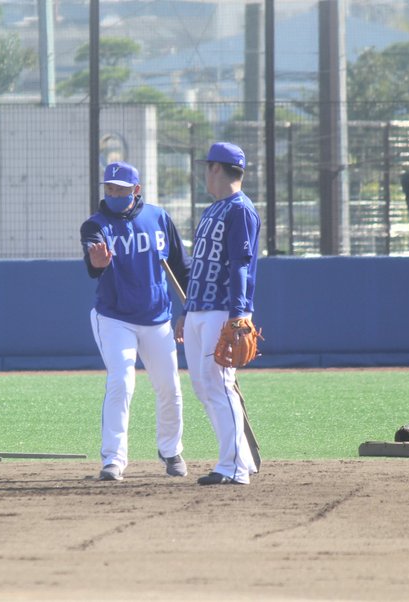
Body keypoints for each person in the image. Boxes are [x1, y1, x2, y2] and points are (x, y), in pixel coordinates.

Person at [80, 161, 191, 481]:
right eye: (110, 188)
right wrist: (97, 263)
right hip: (115, 317)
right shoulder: (95, 225)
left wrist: (191, 308)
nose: (114, 194)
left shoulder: (158, 218)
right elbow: (92, 265)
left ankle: (171, 451)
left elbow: (182, 267)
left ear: (136, 190)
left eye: (121, 189)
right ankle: (113, 459)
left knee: (169, 387)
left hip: (157, 317)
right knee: (121, 382)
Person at [175, 142, 261, 485]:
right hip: (199, 308)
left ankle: (234, 466)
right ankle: (241, 458)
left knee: (218, 384)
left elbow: (241, 265)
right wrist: (186, 310)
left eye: (207, 168)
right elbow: (200, 266)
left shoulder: (240, 209)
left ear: (216, 168)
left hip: (223, 310)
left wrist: (239, 314)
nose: (205, 175)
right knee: (203, 385)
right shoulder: (214, 209)